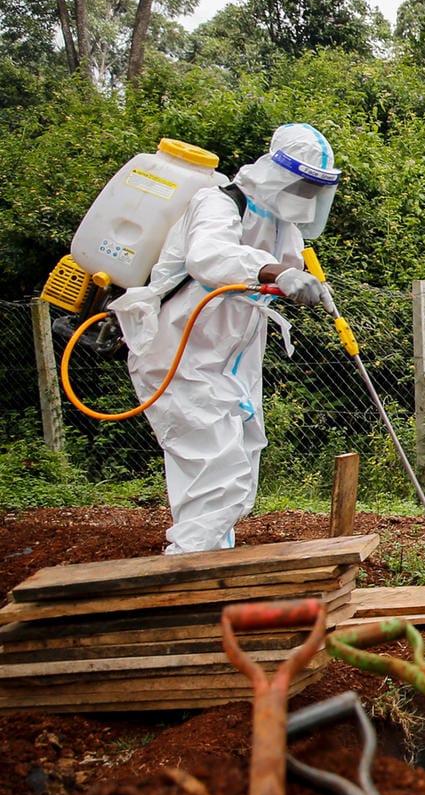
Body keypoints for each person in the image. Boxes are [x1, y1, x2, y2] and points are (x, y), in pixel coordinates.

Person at [112, 123, 342, 553]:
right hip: (180, 356)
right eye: (305, 184)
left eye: (317, 189)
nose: (309, 197)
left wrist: (306, 284)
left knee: (238, 468)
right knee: (216, 472)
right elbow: (210, 256)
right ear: (280, 173)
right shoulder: (217, 202)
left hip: (232, 363)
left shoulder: (281, 223)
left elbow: (287, 270)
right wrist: (277, 272)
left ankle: (211, 563)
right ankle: (185, 574)